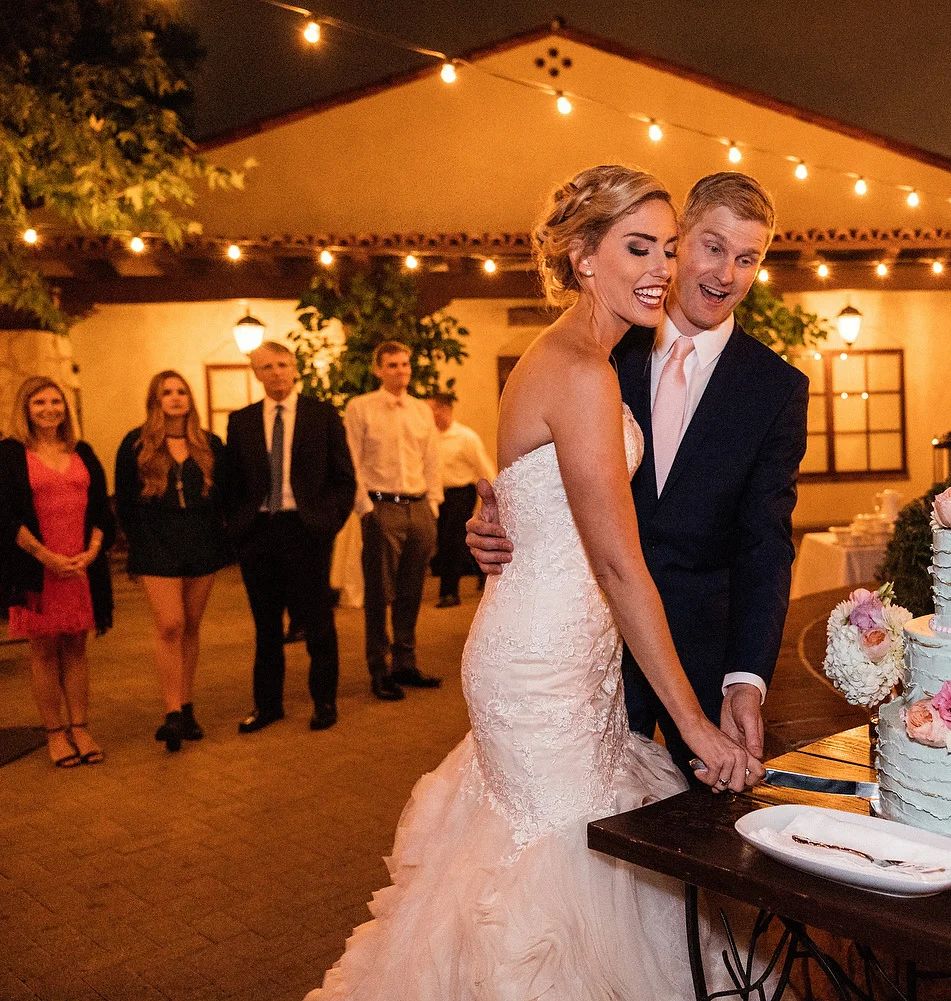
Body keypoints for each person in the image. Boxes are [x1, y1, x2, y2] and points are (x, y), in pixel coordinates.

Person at [307, 165, 763, 999]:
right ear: (583, 256)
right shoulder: (584, 369)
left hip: (564, 653)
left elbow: (525, 496)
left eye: (667, 247)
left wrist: (498, 521)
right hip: (543, 665)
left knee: (566, 860)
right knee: (550, 881)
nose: (662, 268)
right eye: (639, 247)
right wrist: (695, 726)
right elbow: (617, 562)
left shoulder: (576, 353)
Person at [466, 170, 808, 775]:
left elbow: (766, 543)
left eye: (747, 259)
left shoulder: (775, 388)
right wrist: (499, 527)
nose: (725, 274)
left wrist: (745, 677)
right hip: (573, 655)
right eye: (709, 247)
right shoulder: (598, 352)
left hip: (700, 658)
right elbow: (548, 489)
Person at [224, 342, 356, 733]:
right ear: (256, 374)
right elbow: (232, 482)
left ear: (295, 368)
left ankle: (324, 702)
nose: (276, 372)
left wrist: (328, 522)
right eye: (267, 367)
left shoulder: (321, 414)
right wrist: (239, 526)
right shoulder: (242, 421)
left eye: (282, 364)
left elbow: (344, 477)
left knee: (318, 621)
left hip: (306, 530)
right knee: (266, 626)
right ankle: (268, 706)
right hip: (259, 531)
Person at [114, 371, 232, 752]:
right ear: (156, 400)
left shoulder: (209, 444)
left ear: (190, 399)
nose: (175, 398)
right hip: (156, 542)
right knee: (170, 624)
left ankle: (186, 705)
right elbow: (125, 501)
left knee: (191, 626)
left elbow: (224, 495)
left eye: (181, 391)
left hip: (202, 541)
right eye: (167, 392)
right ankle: (172, 713)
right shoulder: (135, 444)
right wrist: (138, 540)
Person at [0, 377, 114, 767]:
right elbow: (5, 516)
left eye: (56, 401)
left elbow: (101, 509)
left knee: (77, 648)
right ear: (25, 409)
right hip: (36, 567)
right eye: (39, 403)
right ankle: (54, 734)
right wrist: (44, 556)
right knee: (45, 651)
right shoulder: (10, 454)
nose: (50, 409)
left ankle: (80, 728)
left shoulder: (82, 451)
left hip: (79, 566)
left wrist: (91, 552)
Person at [344, 341, 442, 698]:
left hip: (418, 506)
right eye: (392, 365)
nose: (401, 370)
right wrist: (365, 507)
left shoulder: (421, 410)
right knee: (378, 593)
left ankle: (405, 663)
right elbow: (352, 459)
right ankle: (379, 669)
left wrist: (433, 504)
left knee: (412, 591)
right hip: (381, 506)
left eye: (404, 364)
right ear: (378, 370)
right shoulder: (360, 407)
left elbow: (432, 459)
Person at [427, 392, 494, 608]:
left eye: (430, 409)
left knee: (452, 541)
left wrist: (492, 497)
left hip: (460, 493)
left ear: (443, 410)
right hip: (437, 494)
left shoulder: (466, 437)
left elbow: (483, 468)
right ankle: (480, 572)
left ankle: (449, 592)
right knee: (445, 541)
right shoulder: (429, 437)